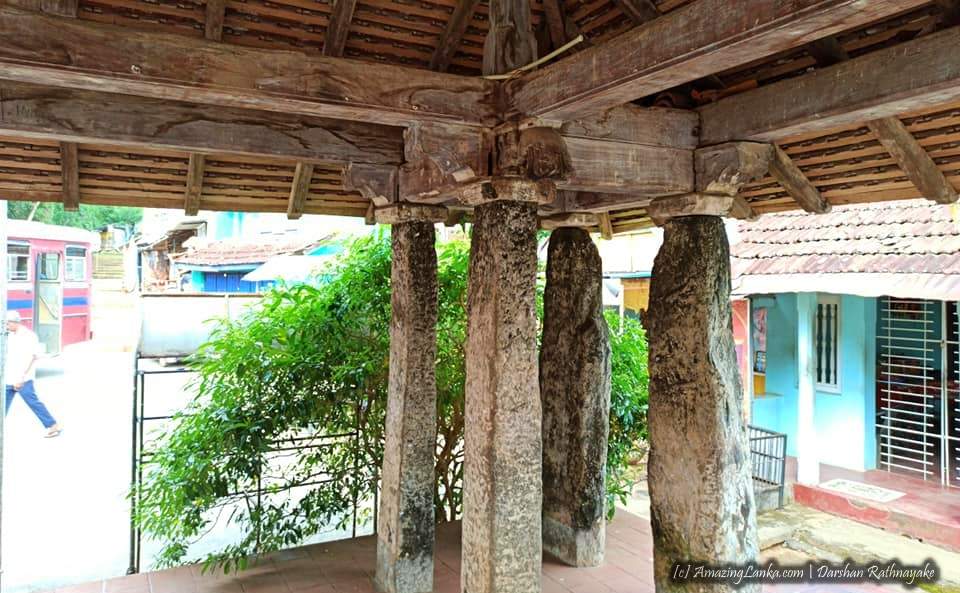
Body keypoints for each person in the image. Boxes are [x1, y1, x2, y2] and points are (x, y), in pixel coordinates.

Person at [4, 310, 61, 437]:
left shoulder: (29, 336)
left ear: (15, 322)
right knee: (2, 405)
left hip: (23, 378)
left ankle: (53, 426)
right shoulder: (8, 335)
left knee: (33, 402)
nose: (6, 326)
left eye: (8, 323)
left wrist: (22, 377)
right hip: (9, 377)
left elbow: (33, 357)